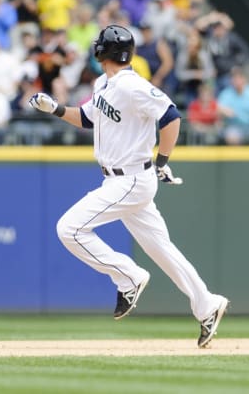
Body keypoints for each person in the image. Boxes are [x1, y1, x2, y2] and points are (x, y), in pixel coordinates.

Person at [29, 25, 229, 348]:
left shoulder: (132, 86)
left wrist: (161, 160)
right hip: (125, 178)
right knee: (162, 249)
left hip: (130, 179)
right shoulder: (105, 83)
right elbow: (88, 118)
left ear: (103, 52)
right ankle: (207, 304)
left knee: (69, 229)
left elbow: (171, 115)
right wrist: (55, 109)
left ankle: (128, 276)